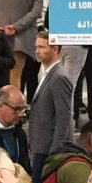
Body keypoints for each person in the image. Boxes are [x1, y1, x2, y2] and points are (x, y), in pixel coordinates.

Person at [26, 39, 78, 173]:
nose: (37, 51)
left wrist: (55, 152)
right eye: (36, 46)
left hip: (49, 150)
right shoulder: (45, 73)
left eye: (42, 47)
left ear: (55, 49)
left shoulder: (59, 77)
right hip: (41, 146)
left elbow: (64, 117)